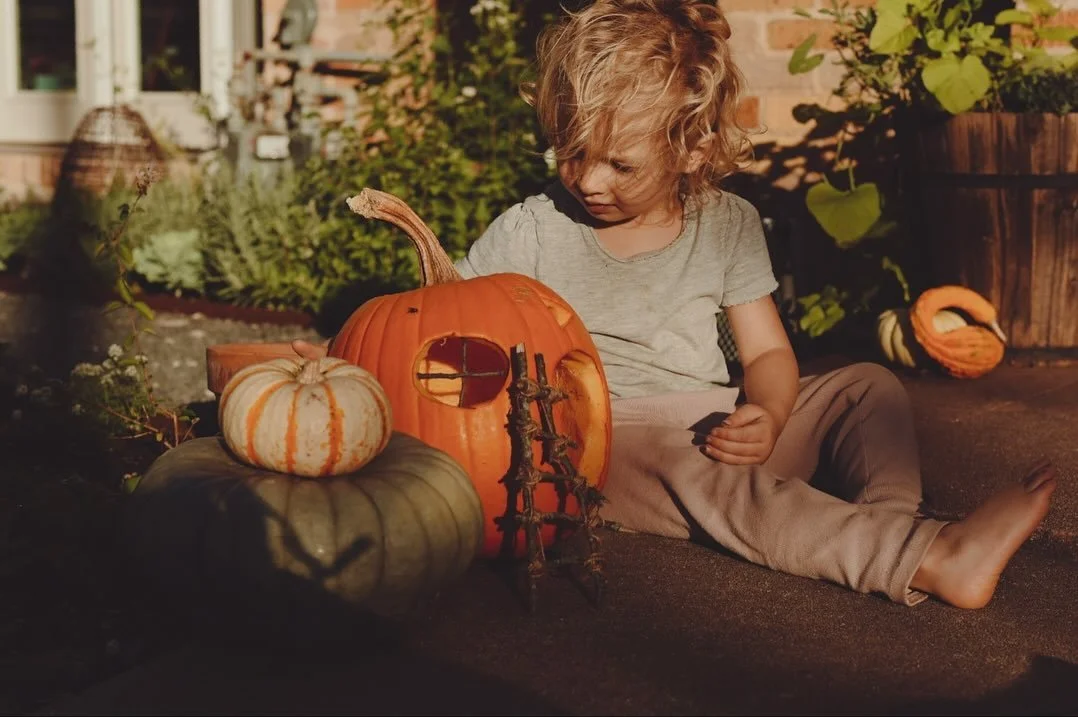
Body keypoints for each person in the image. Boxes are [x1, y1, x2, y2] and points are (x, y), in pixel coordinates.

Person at [295, 0, 1055, 608]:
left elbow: (765, 354)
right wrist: (340, 369)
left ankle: (891, 525)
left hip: (720, 421)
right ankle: (927, 556)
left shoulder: (723, 224)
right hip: (607, 441)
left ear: (690, 149)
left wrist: (771, 412)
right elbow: (434, 330)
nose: (588, 180)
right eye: (571, 151)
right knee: (714, 486)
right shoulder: (532, 229)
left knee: (869, 388)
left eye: (619, 162)